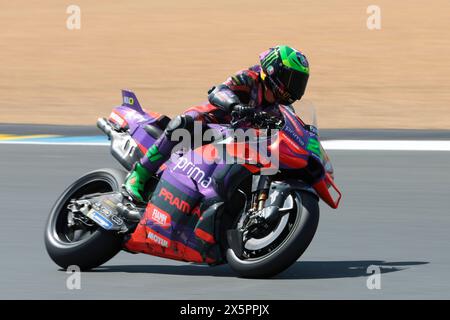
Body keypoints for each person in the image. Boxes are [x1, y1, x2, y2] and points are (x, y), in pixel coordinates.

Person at [124, 45, 310, 202]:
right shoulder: (249, 77)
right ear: (273, 69)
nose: (295, 88)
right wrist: (235, 105)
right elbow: (218, 91)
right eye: (292, 79)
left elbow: (287, 129)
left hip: (243, 144)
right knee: (182, 123)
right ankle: (140, 174)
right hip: (213, 125)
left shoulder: (282, 109)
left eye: (300, 82)